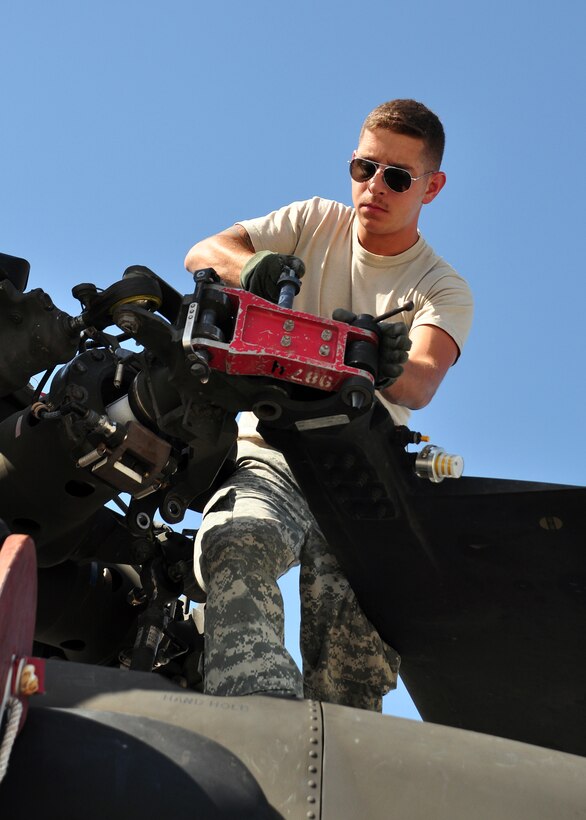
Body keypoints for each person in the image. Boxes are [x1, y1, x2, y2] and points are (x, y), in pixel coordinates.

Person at [184, 99, 473, 711]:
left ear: (433, 187)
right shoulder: (313, 222)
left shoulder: (441, 287)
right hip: (275, 449)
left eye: (397, 176)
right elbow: (204, 252)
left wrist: (381, 363)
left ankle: (337, 772)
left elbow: (420, 381)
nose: (375, 187)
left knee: (355, 654)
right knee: (236, 541)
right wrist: (255, 266)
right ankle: (261, 721)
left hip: (365, 473)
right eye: (363, 168)